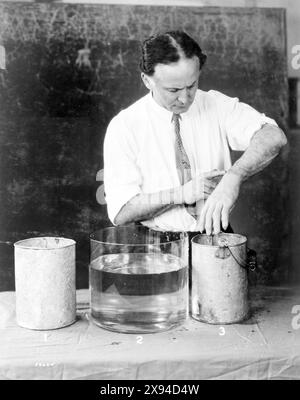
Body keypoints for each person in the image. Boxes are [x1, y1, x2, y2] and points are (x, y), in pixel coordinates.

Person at [103, 31, 287, 235]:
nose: (185, 99)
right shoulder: (125, 126)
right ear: (147, 80)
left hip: (215, 239)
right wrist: (182, 194)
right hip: (154, 249)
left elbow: (273, 136)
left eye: (192, 85)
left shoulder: (216, 105)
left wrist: (234, 177)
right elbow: (121, 212)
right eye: (173, 90)